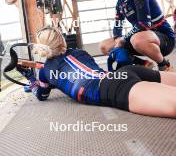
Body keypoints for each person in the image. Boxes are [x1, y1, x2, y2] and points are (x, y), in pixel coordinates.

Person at [23, 26, 176, 118]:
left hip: (114, 88)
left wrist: (31, 79)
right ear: (62, 40)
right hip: (124, 73)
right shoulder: (79, 52)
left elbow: (41, 94)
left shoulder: (45, 71)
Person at [99, 0, 175, 71]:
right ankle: (143, 63)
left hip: (164, 38)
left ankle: (164, 64)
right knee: (104, 46)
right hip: (143, 37)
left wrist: (124, 39)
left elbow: (144, 24)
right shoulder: (119, 2)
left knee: (137, 39)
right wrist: (117, 38)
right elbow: (118, 25)